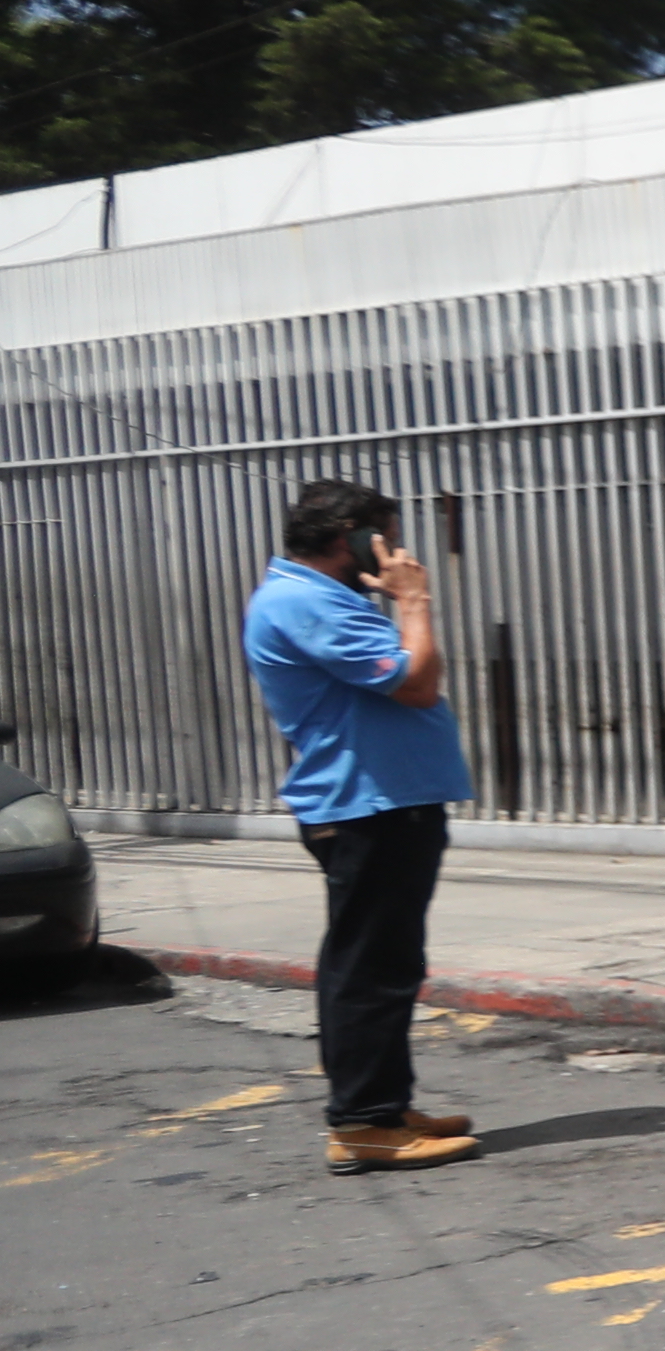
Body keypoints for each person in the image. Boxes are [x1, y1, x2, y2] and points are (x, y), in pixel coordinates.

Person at [242, 480, 482, 1177]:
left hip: (385, 802)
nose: (396, 551)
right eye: (383, 536)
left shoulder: (327, 600)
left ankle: (384, 1106)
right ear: (347, 536)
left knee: (385, 964)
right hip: (366, 806)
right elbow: (415, 683)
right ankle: (362, 1123)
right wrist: (413, 601)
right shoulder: (302, 601)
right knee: (368, 969)